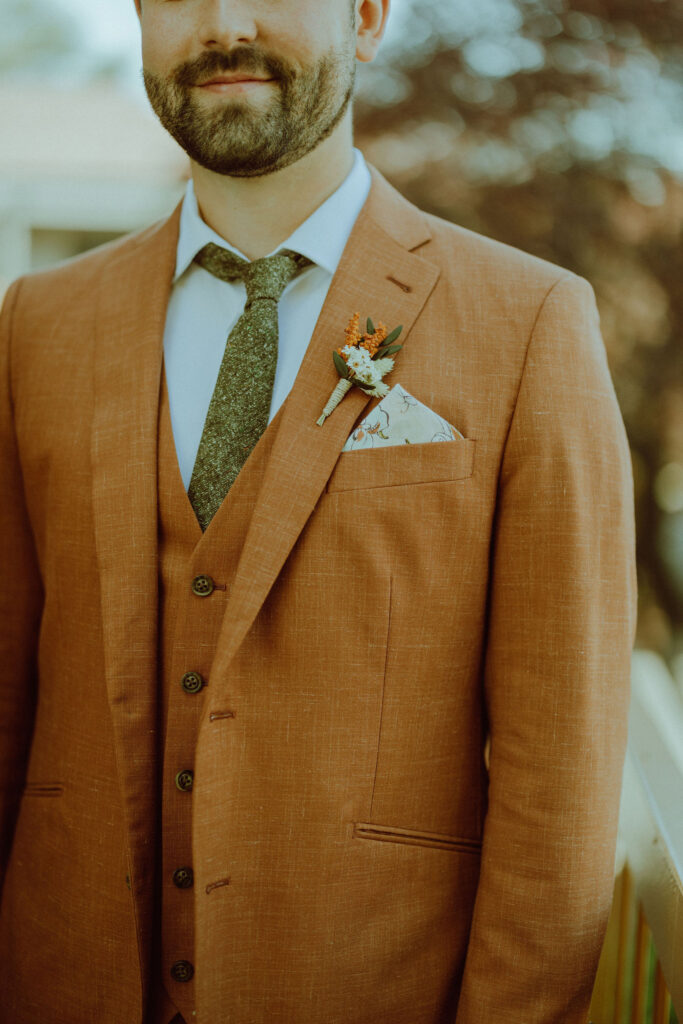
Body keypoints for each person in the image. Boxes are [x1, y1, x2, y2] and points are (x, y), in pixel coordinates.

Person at [0, 0, 637, 1022]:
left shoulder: (529, 324)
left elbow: (557, 772)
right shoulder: (37, 326)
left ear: (369, 17)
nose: (223, 23)